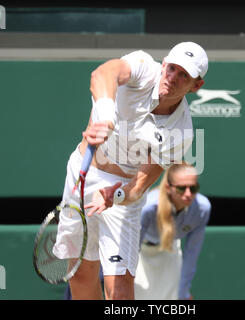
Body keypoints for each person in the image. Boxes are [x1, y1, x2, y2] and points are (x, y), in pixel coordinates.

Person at [53, 42, 208, 300]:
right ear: (164, 63)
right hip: (82, 173)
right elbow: (102, 74)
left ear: (196, 86)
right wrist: (105, 116)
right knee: (80, 276)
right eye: (172, 68)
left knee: (120, 292)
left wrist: (118, 196)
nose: (173, 78)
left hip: (121, 195)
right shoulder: (143, 66)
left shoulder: (182, 132)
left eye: (184, 75)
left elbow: (141, 184)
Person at [134, 163, 211, 300]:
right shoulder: (149, 207)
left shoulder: (202, 208)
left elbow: (191, 255)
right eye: (182, 188)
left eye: (193, 188)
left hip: (171, 251)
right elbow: (132, 249)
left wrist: (184, 293)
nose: (188, 194)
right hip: (140, 257)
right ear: (168, 187)